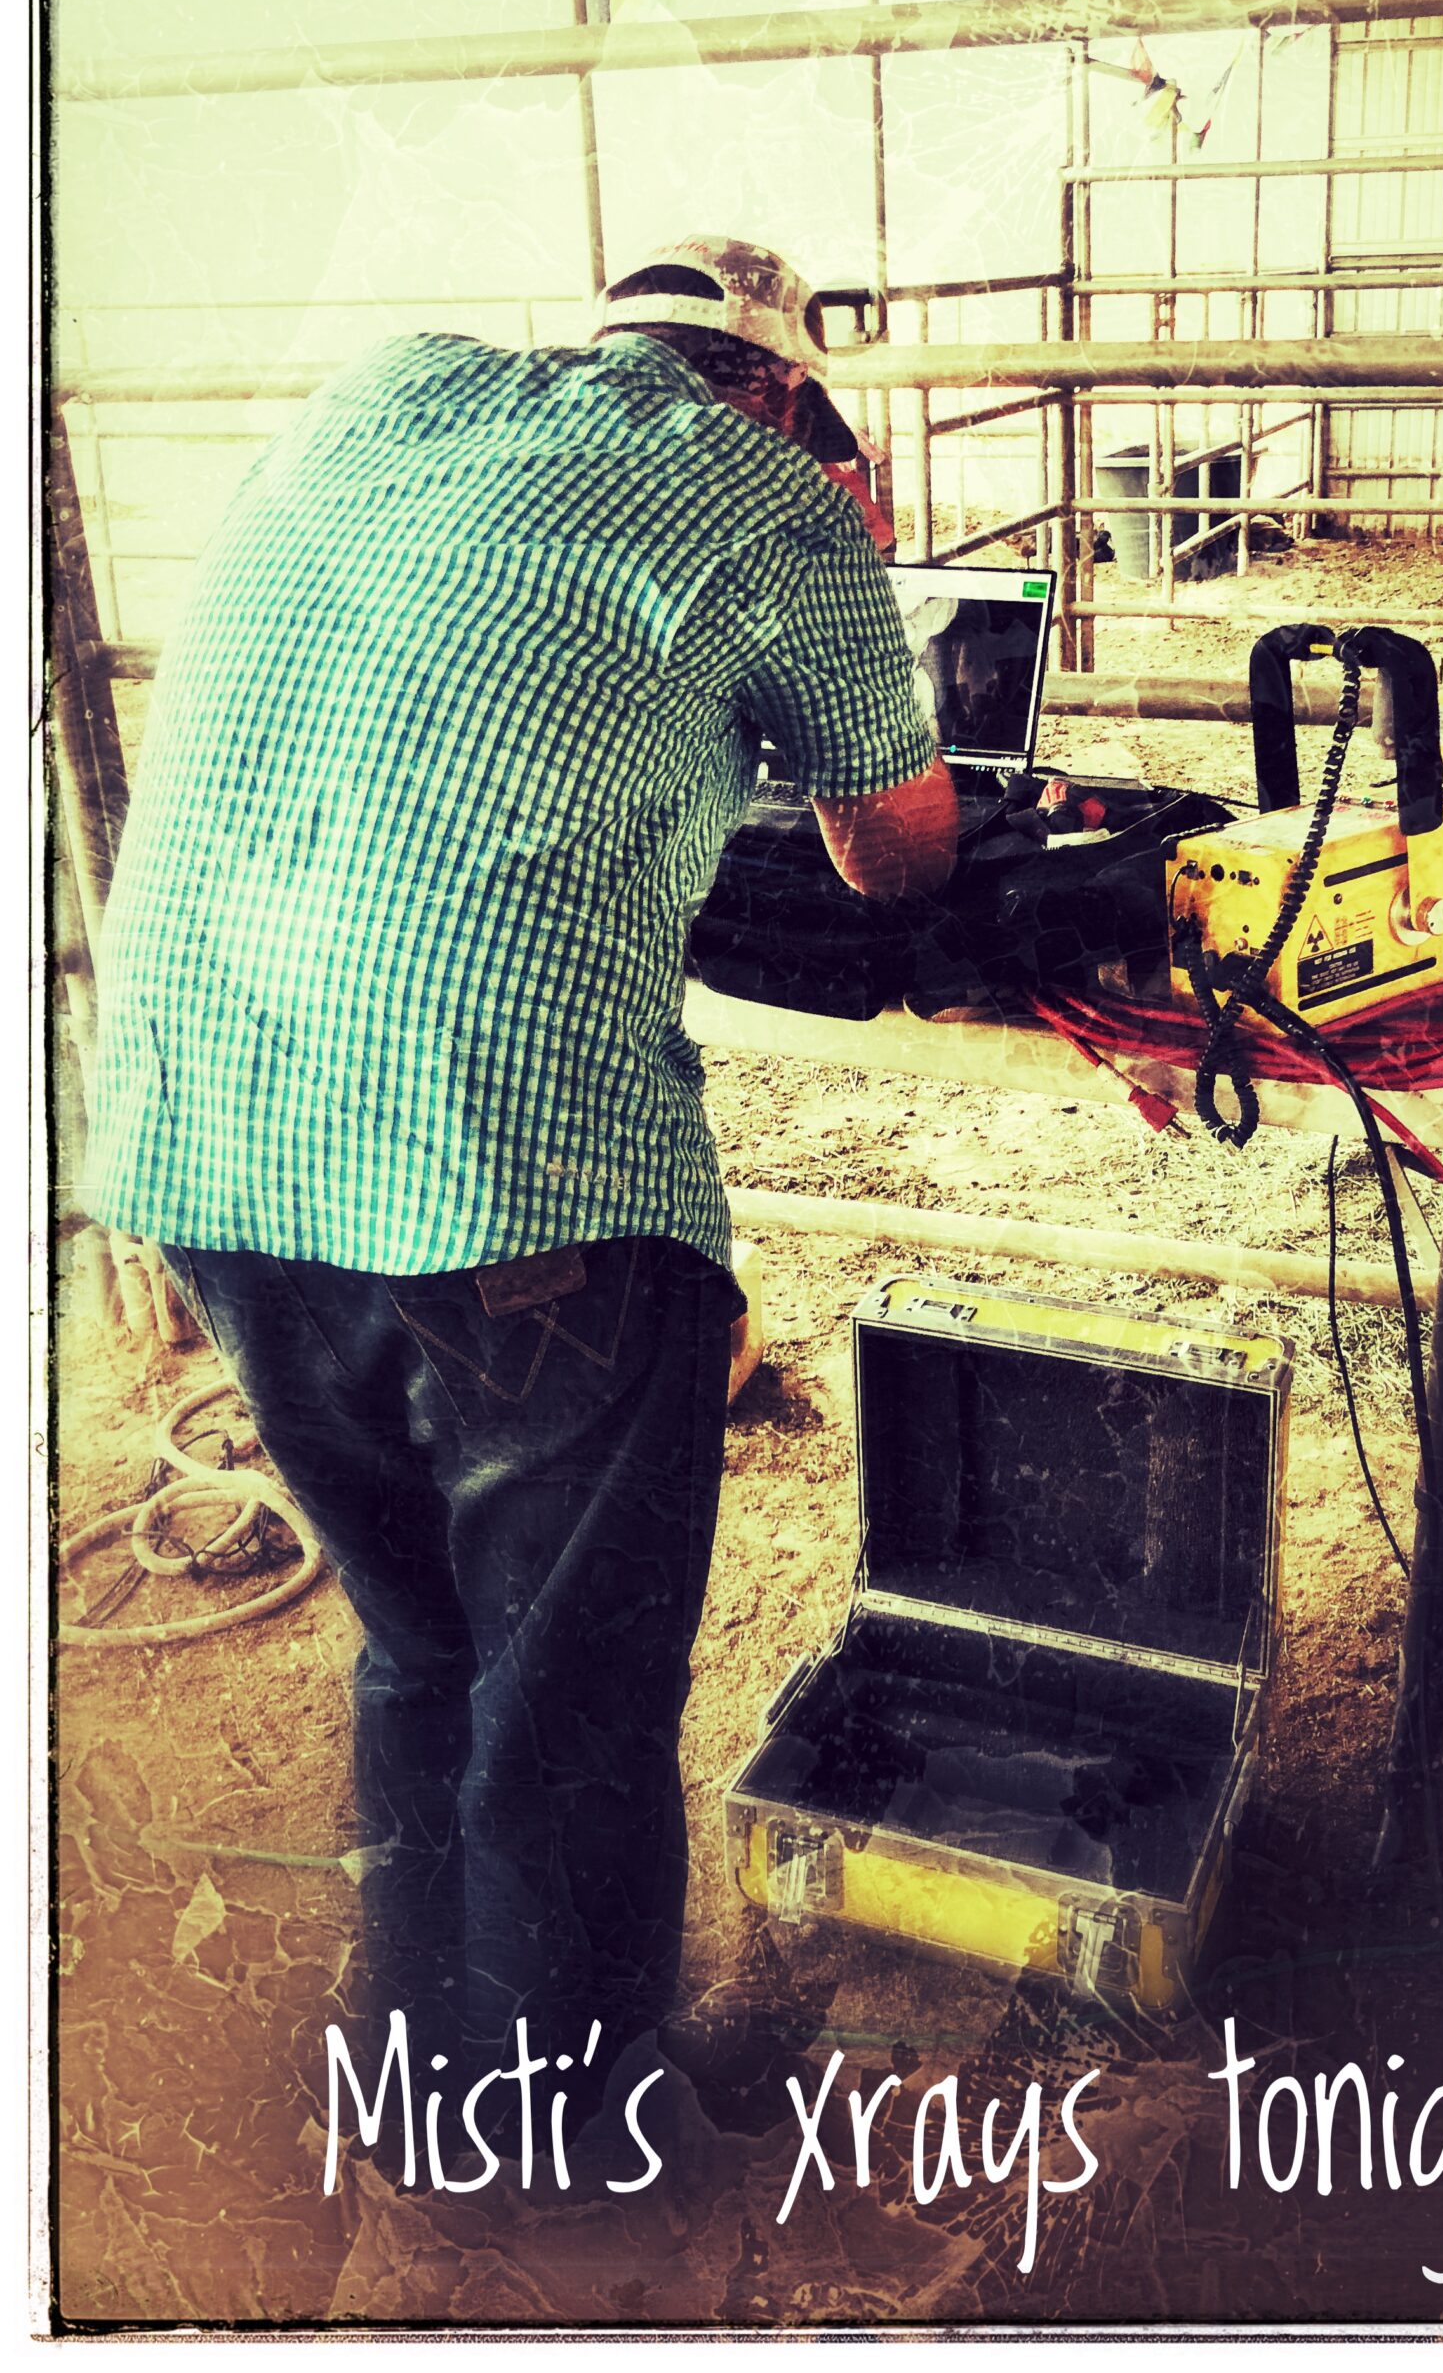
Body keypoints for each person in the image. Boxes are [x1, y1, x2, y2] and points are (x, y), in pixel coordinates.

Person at [80, 235, 957, 2122]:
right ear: (788, 392)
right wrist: (826, 583)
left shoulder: (375, 396)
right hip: (498, 1158)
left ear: (612, 336)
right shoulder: (776, 494)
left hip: (200, 1114)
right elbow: (898, 853)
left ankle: (417, 2061)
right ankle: (558, 2137)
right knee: (565, 1688)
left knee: (418, 1638)